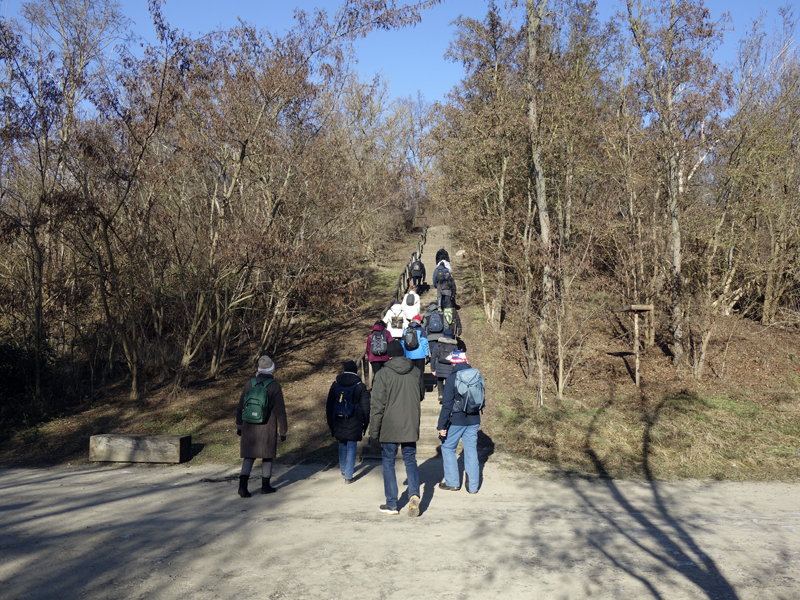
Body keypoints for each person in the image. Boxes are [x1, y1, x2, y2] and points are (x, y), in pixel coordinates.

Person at [369, 340, 424, 517]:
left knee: (388, 463)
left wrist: (374, 432)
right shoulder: (416, 371)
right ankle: (414, 494)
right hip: (409, 423)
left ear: (389, 356)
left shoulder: (383, 374)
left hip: (389, 425)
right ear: (403, 353)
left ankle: (392, 503)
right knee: (410, 460)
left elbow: (377, 405)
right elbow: (421, 395)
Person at [236, 355, 288, 497]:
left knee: (249, 456)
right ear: (272, 369)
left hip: (249, 426)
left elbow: (240, 407)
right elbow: (280, 410)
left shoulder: (249, 383)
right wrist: (283, 430)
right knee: (267, 456)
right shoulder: (274, 385)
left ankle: (242, 486)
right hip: (267, 426)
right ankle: (265, 486)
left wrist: (239, 425)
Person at [437, 350, 481, 494]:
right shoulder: (476, 375)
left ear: (454, 362)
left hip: (456, 420)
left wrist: (441, 425)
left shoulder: (452, 378)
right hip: (474, 419)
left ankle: (453, 483)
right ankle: (473, 487)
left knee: (448, 448)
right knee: (471, 451)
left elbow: (447, 404)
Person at [326, 361, 370, 484]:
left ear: (344, 369)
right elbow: (365, 407)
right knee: (351, 445)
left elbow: (329, 404)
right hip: (355, 419)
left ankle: (344, 470)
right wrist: (366, 422)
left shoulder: (336, 384)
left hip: (338, 418)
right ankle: (348, 477)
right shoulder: (360, 386)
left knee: (342, 443)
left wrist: (330, 421)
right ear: (356, 370)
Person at [430, 329, 458, 403]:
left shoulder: (437, 345)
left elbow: (433, 357)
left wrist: (433, 368)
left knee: (439, 380)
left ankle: (441, 394)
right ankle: (448, 396)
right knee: (449, 382)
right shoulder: (454, 346)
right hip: (450, 367)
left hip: (439, 366)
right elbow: (456, 358)